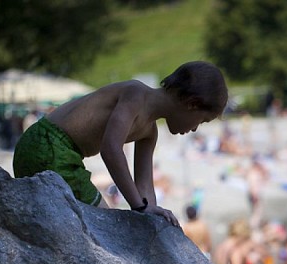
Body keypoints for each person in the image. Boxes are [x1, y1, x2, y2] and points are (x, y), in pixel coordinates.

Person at [12, 61, 229, 227]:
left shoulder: (149, 132)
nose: (194, 129)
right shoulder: (136, 94)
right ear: (191, 104)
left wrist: (152, 211)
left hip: (59, 153)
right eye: (201, 121)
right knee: (104, 223)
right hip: (49, 144)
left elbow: (144, 186)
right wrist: (139, 207)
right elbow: (111, 149)